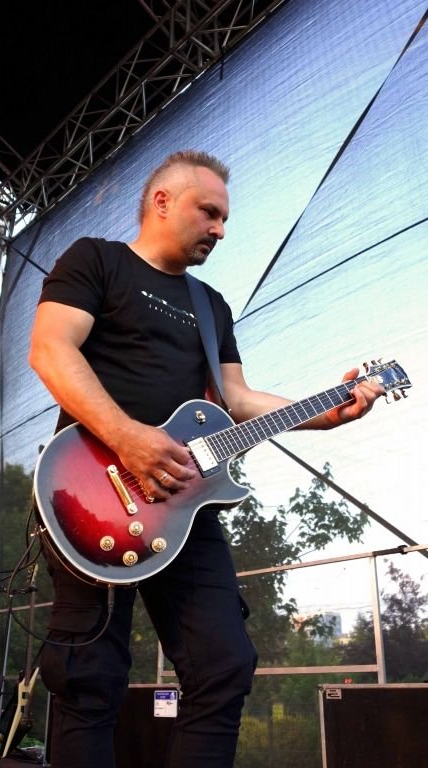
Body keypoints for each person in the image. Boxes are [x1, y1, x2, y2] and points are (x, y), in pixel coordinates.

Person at [28, 149, 383, 768]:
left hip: (186, 505)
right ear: (162, 202)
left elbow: (237, 398)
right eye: (210, 213)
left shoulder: (210, 304)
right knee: (90, 676)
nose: (220, 230)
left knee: (224, 665)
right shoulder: (96, 260)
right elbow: (51, 349)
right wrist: (127, 436)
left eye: (224, 219)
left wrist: (328, 409)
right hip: (91, 491)